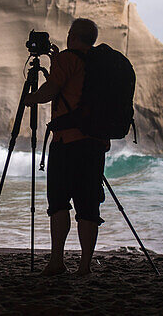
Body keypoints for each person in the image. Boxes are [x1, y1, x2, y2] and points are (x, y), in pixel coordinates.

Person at [23, 17, 109, 276]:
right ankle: (84, 266)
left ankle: (57, 261)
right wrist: (57, 61)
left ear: (72, 35)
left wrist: (31, 99)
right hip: (95, 143)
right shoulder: (99, 63)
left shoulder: (68, 60)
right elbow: (77, 88)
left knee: (59, 202)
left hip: (67, 141)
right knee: (88, 204)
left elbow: (51, 91)